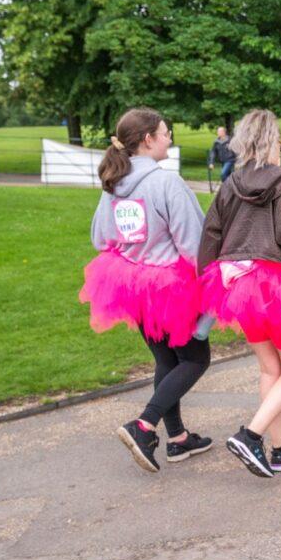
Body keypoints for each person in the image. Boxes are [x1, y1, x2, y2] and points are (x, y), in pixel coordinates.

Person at [199, 109, 281, 478]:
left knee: (269, 367)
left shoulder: (230, 184)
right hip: (278, 283)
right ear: (273, 142)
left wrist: (207, 287)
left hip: (239, 285)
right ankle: (251, 435)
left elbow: (210, 235)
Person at [81, 107, 213, 472]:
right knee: (196, 359)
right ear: (147, 139)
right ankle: (143, 425)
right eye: (166, 132)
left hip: (131, 286)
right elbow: (193, 243)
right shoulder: (166, 182)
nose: (170, 138)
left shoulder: (113, 184)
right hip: (172, 289)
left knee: (166, 361)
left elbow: (99, 237)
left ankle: (179, 439)